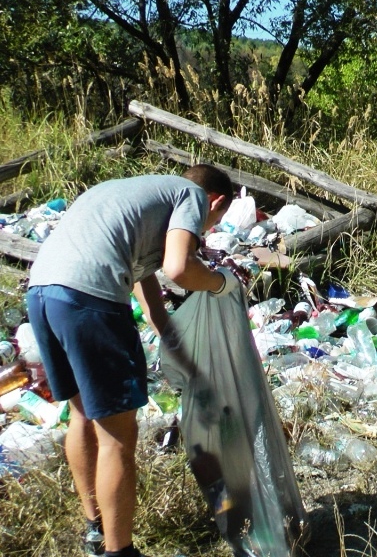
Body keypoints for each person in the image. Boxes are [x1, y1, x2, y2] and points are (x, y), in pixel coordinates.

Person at [26, 165, 241, 557]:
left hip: (42, 292)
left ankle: (95, 528)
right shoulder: (190, 197)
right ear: (218, 202)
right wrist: (219, 282)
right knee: (118, 436)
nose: (204, 230)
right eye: (213, 222)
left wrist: (167, 336)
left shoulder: (139, 193)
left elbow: (146, 276)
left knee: (82, 414)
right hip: (89, 297)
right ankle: (119, 550)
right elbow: (178, 269)